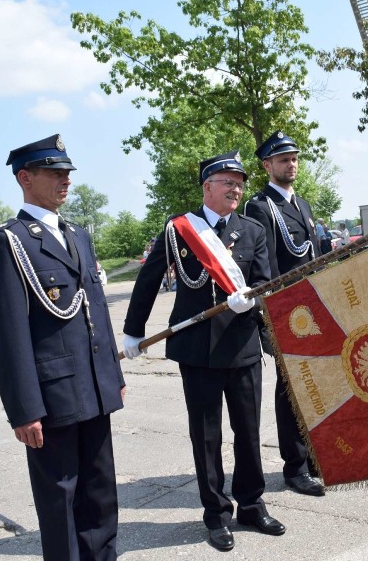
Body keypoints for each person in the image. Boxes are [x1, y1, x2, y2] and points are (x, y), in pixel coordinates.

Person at [124, 150, 285, 552]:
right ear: (207, 186)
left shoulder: (252, 230)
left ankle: (251, 503)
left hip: (243, 345)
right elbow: (148, 279)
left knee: (248, 432)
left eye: (240, 182)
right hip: (198, 351)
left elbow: (266, 281)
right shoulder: (179, 230)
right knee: (206, 437)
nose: (236, 188)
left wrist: (253, 300)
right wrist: (133, 330)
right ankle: (216, 514)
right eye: (227, 181)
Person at [0, 134, 126, 561]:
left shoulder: (77, 235)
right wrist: (24, 408)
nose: (66, 180)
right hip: (53, 394)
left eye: (67, 173)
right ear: (25, 178)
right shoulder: (8, 242)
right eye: (55, 173)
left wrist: (113, 378)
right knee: (60, 498)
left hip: (95, 387)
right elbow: (6, 334)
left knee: (101, 491)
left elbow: (96, 309)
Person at [243, 130, 326, 497]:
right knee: (291, 387)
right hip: (286, 311)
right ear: (267, 166)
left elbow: (313, 254)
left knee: (313, 384)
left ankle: (312, 456)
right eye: (282, 160)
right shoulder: (259, 207)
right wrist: (269, 316)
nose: (290, 164)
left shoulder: (303, 204)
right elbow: (265, 266)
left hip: (313, 307)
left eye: (293, 158)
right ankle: (295, 466)